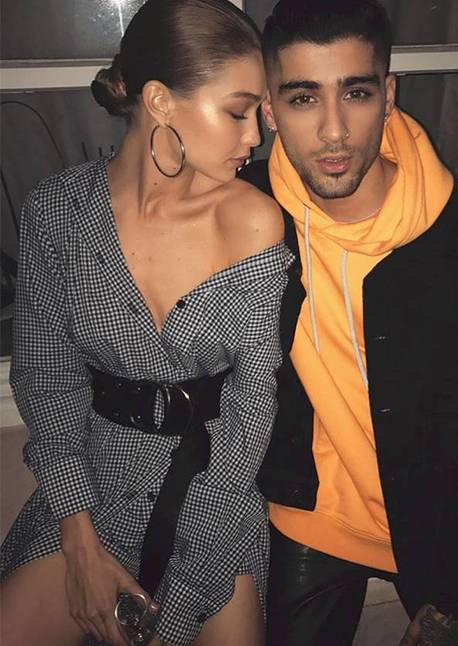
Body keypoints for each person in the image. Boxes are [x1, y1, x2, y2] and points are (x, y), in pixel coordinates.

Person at [239, 1, 458, 644]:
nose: (333, 131)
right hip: (313, 514)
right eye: (303, 98)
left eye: (355, 93)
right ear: (269, 110)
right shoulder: (245, 216)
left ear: (388, 95)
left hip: (444, 524)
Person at [0, 1, 290, 645]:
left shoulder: (251, 221)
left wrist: (177, 602)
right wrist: (79, 540)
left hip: (212, 495)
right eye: (238, 112)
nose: (255, 137)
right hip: (92, 485)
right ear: (160, 101)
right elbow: (46, 378)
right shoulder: (58, 212)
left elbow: (251, 410)